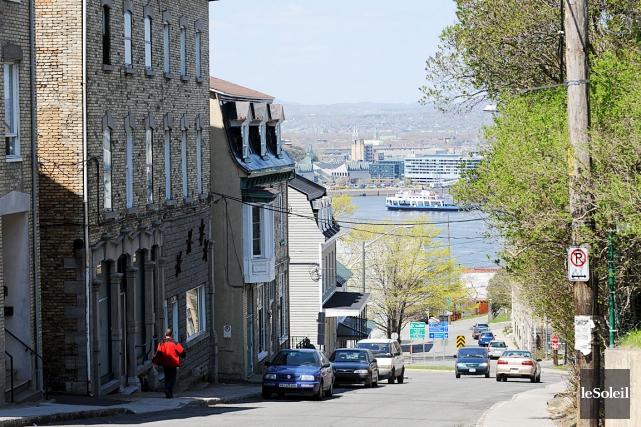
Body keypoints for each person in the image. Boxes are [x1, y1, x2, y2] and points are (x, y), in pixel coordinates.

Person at [153, 328, 186, 398]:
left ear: (165, 334)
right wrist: (183, 356)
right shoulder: (175, 343)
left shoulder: (161, 343)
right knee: (172, 378)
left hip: (165, 363)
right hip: (173, 363)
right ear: (171, 335)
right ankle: (168, 389)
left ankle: (169, 393)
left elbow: (158, 354)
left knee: (167, 377)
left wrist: (156, 363)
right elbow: (182, 351)